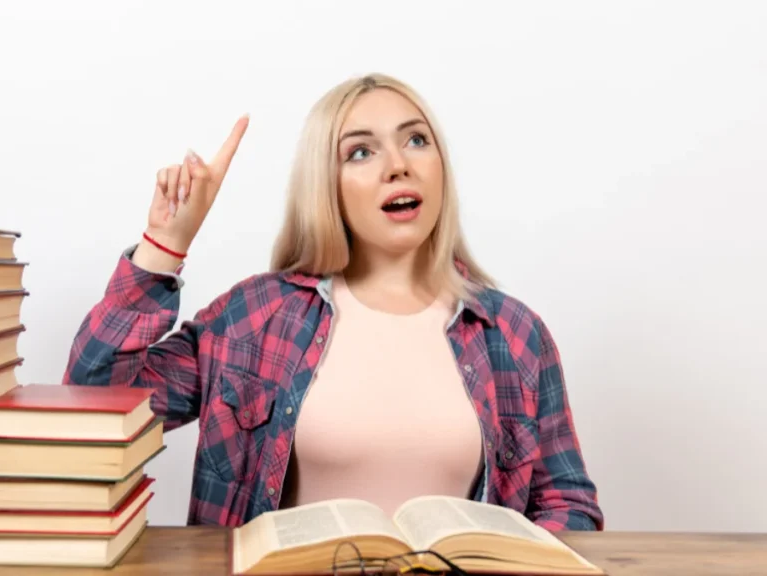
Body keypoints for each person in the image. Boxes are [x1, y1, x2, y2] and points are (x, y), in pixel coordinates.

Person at [62, 73, 604, 532]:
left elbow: (569, 506)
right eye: (361, 151)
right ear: (328, 185)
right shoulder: (256, 317)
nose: (398, 164)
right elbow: (94, 401)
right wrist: (163, 247)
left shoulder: (513, 333)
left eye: (416, 141)